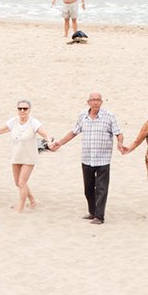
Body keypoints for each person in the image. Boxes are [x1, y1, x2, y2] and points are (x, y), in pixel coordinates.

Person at [50, 92, 123, 225]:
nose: (95, 102)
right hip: (87, 158)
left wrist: (120, 143)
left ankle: (99, 217)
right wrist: (60, 143)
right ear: (88, 102)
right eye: (93, 100)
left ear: (101, 102)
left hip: (103, 159)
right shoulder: (82, 116)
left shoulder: (109, 116)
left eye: (98, 100)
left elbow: (118, 133)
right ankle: (92, 212)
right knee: (88, 189)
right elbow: (74, 132)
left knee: (101, 189)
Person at [0, 100, 53, 212]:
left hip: (29, 157)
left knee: (22, 182)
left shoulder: (34, 122)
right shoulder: (13, 121)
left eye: (25, 109)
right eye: (20, 108)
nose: (22, 111)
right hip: (16, 156)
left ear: (29, 110)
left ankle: (20, 208)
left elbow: (45, 133)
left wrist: (49, 141)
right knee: (18, 183)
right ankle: (32, 201)